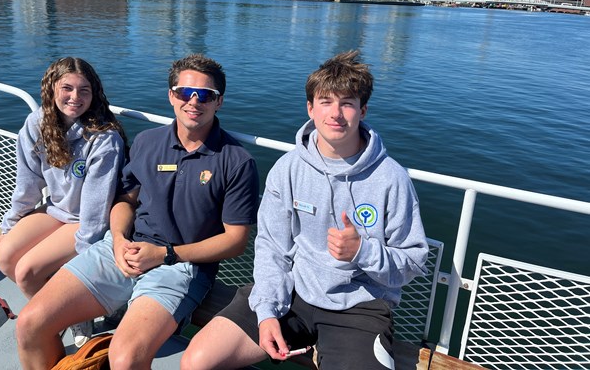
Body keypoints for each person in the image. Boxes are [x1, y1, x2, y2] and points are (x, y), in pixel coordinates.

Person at [181, 50, 429, 370]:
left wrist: (363, 252)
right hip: (293, 293)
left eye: (347, 103)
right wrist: (268, 311)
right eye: (326, 101)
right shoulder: (288, 169)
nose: (336, 113)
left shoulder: (391, 179)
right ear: (310, 108)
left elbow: (412, 260)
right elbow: (273, 246)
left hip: (359, 307)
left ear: (363, 110)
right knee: (196, 361)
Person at [14, 54, 260, 370]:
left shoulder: (236, 162)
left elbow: (236, 240)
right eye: (185, 92)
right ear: (172, 95)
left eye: (206, 95)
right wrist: (117, 239)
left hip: (181, 267)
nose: (194, 101)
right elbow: (125, 201)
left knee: (125, 357)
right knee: (30, 323)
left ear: (219, 101)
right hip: (123, 249)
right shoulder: (147, 142)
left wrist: (165, 254)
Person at [0, 57, 127, 344]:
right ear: (52, 88)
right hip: (56, 210)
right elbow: (28, 183)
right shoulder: (37, 123)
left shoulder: (104, 137)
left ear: (95, 94)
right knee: (4, 256)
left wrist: (85, 256)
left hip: (86, 221)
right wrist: (11, 225)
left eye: (84, 90)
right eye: (67, 88)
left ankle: (71, 317)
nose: (75, 97)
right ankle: (64, 310)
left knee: (27, 272)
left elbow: (96, 205)